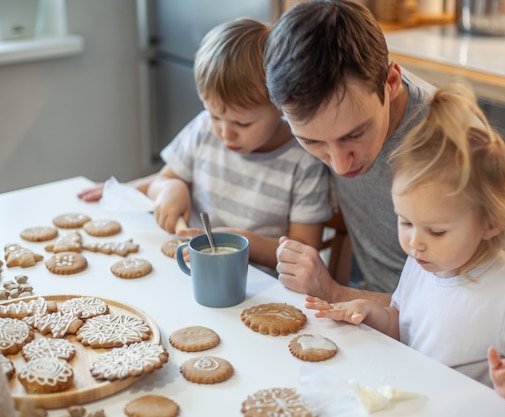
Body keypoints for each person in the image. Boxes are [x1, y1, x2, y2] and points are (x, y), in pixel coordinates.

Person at [305, 83, 505, 407]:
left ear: (490, 223)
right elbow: (404, 325)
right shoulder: (422, 263)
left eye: (436, 231)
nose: (415, 242)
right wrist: (371, 313)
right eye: (406, 222)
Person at [78, 18, 334, 271]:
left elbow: (304, 252)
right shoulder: (203, 130)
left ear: (281, 106)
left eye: (242, 124)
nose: (225, 133)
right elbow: (161, 180)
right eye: (215, 116)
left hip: (258, 289)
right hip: (191, 271)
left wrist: (238, 242)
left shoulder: (304, 160)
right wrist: (170, 188)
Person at [265, 0, 435, 305]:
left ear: (391, 82)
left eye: (354, 134)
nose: (341, 166)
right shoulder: (309, 110)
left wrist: (333, 292)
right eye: (312, 142)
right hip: (366, 307)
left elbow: (460, 308)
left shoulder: (446, 143)